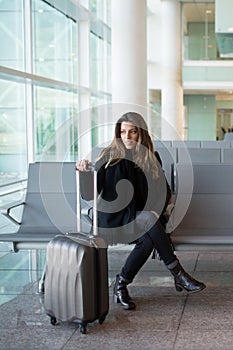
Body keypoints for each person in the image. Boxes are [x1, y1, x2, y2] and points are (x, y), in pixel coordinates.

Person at [76, 112, 206, 310]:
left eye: (132, 132)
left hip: (142, 220)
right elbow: (89, 194)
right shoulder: (108, 157)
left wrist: (155, 212)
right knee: (149, 229)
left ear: (141, 134)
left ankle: (121, 284)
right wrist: (84, 173)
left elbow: (164, 192)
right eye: (123, 132)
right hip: (115, 221)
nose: (127, 136)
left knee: (147, 238)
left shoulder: (151, 158)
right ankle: (178, 274)